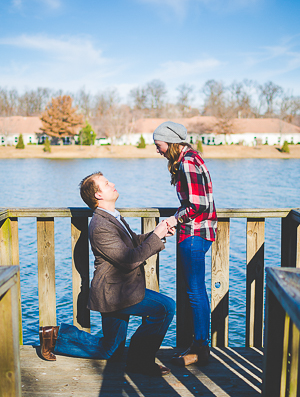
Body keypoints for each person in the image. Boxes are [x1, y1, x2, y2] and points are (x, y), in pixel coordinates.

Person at [38, 172, 177, 376]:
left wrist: (157, 234)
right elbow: (128, 260)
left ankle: (55, 337)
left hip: (121, 289)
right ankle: (140, 362)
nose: (112, 184)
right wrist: (155, 237)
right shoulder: (101, 225)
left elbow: (132, 244)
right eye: (106, 183)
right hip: (115, 293)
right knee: (165, 308)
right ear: (98, 195)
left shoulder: (113, 216)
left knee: (109, 349)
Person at [153, 121, 217, 366]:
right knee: (195, 290)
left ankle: (201, 348)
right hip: (197, 231)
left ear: (170, 142)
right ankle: (199, 346)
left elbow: (198, 205)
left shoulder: (188, 162)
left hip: (194, 232)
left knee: (195, 291)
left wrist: (173, 219)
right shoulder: (189, 158)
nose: (157, 150)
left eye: (159, 145)